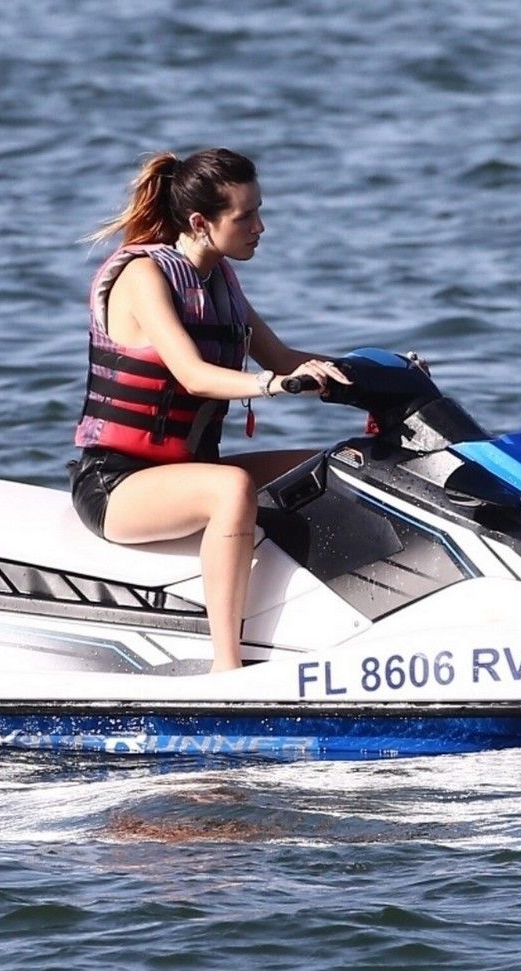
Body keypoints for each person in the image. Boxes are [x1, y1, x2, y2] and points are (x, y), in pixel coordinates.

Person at [70, 147, 349, 672]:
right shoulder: (143, 277)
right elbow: (193, 374)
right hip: (116, 483)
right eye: (246, 217)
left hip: (188, 470)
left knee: (337, 468)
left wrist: (369, 374)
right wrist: (273, 386)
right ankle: (227, 665)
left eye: (260, 211)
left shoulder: (220, 280)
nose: (260, 227)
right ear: (200, 223)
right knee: (231, 488)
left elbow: (282, 357)